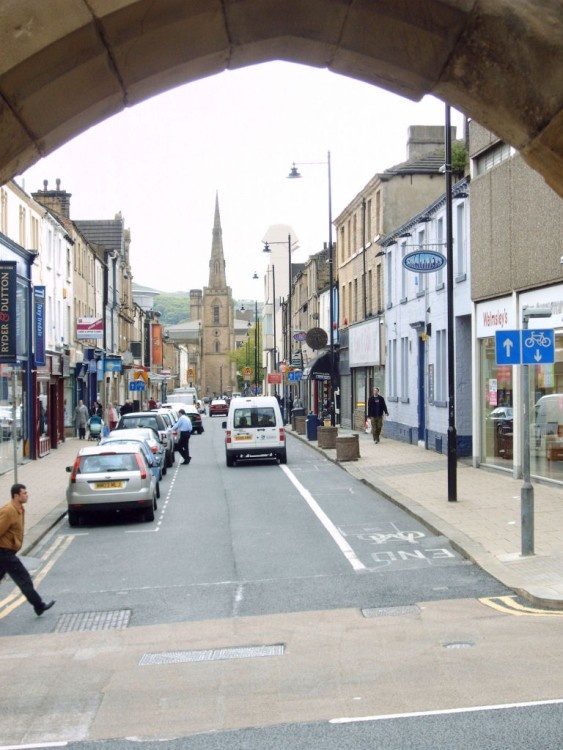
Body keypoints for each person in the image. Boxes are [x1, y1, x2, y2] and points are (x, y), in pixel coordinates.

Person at [0, 484, 55, 616]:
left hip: (7, 551)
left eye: (26, 492)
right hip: (4, 552)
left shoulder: (19, 509)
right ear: (16, 496)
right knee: (23, 578)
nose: (27, 495)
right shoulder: (9, 510)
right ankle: (39, 605)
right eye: (24, 493)